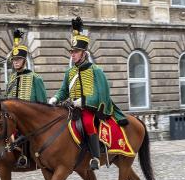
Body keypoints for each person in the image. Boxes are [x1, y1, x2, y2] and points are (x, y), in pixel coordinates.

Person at [48, 17, 128, 171]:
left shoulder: (95, 70)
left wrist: (82, 102)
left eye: (76, 52)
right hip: (71, 108)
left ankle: (96, 158)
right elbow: (64, 90)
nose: (73, 54)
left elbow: (100, 94)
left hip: (89, 109)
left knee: (87, 122)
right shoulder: (70, 72)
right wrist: (55, 98)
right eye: (72, 51)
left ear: (84, 53)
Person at [5, 29, 47, 103]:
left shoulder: (35, 78)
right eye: (14, 60)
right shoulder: (11, 78)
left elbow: (42, 104)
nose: (16, 62)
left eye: (19, 59)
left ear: (25, 61)